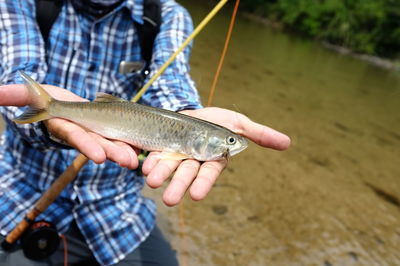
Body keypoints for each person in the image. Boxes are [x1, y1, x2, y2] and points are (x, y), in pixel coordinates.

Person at [0, 0, 290, 265]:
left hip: (117, 209)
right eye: (228, 141)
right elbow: (17, 78)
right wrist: (48, 117)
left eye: (229, 142)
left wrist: (185, 109)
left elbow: (170, 84)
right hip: (19, 195)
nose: (231, 146)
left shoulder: (167, 15)